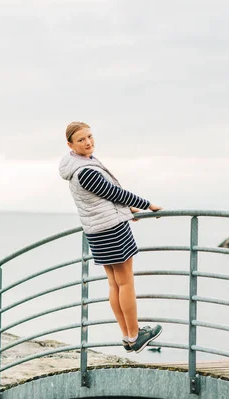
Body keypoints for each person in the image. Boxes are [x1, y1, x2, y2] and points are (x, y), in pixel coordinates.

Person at [59, 121, 163, 354]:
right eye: (81, 140)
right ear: (70, 145)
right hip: (111, 230)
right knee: (125, 282)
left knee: (115, 283)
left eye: (90, 137)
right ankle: (135, 335)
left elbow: (102, 199)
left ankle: (128, 336)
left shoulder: (78, 165)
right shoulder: (85, 171)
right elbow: (113, 192)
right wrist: (146, 204)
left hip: (97, 230)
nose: (88, 142)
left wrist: (127, 210)